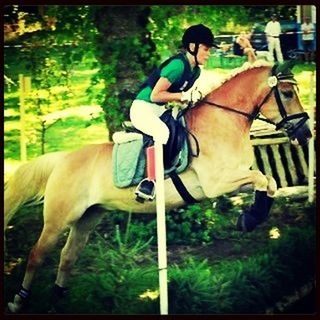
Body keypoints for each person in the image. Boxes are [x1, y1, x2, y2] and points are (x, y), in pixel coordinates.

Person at [130, 24, 217, 200]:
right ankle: (149, 182)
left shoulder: (196, 71)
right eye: (206, 49)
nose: (209, 54)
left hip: (159, 110)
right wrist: (183, 96)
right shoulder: (178, 65)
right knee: (162, 132)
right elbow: (156, 95)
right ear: (193, 47)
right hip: (143, 108)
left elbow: (175, 98)